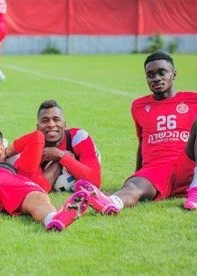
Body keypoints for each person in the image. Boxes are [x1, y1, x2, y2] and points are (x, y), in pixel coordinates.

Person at [72, 51, 197, 215]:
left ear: (174, 74)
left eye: (162, 72)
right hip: (155, 169)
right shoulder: (139, 106)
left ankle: (195, 188)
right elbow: (142, 142)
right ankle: (110, 202)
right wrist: (137, 174)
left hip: (186, 165)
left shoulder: (192, 99)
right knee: (134, 188)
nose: (156, 78)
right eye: (150, 75)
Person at [5, 100, 101, 193]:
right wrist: (59, 161)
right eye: (45, 120)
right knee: (13, 163)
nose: (51, 125)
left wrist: (60, 155)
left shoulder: (79, 138)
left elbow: (94, 181)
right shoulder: (34, 146)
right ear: (38, 127)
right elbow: (34, 189)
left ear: (64, 124)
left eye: (56, 119)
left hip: (86, 163)